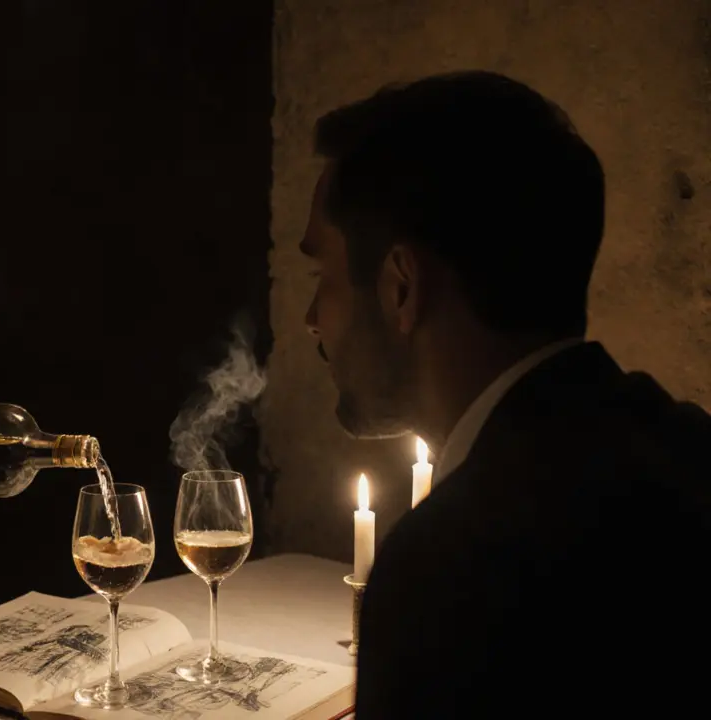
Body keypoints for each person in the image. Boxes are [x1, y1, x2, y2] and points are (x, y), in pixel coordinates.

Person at [299, 70, 711, 718]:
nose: (311, 318)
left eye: (322, 272)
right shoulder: (686, 447)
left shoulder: (449, 571)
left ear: (401, 288)